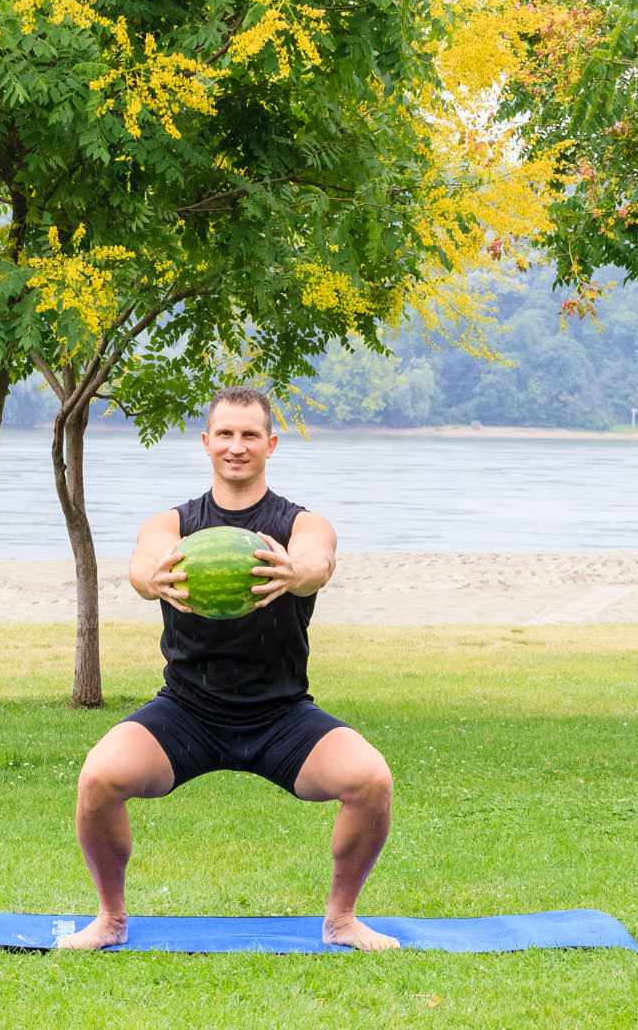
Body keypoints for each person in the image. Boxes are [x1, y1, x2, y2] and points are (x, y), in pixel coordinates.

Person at [58, 386, 398, 952]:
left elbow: (319, 562)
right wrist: (151, 579)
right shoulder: (175, 523)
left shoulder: (301, 524)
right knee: (98, 779)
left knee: (371, 781)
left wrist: (295, 571)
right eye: (225, 434)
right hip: (188, 712)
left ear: (271, 444)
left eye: (249, 435)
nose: (236, 446)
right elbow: (143, 566)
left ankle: (342, 920)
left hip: (280, 714)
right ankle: (111, 918)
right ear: (206, 443)